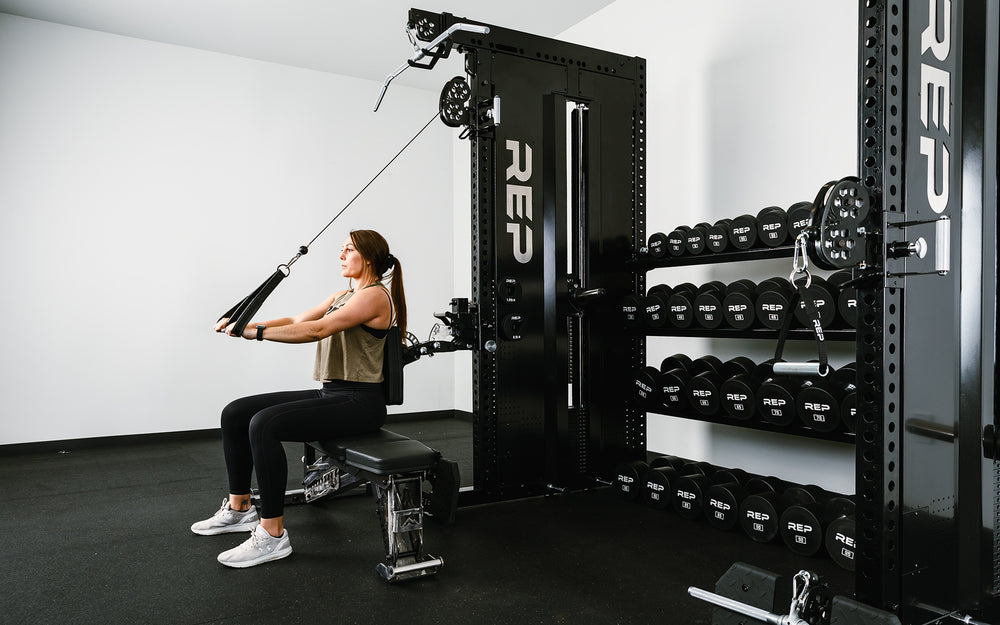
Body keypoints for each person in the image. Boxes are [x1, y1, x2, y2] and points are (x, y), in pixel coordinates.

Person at [192, 229, 406, 568]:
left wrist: (254, 333)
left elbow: (316, 330)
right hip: (333, 392)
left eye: (347, 250)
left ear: (367, 257)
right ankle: (239, 508)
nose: (340, 256)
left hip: (360, 403)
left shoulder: (375, 296)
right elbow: (297, 320)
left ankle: (273, 536)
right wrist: (244, 321)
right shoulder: (342, 295)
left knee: (264, 424)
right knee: (236, 413)